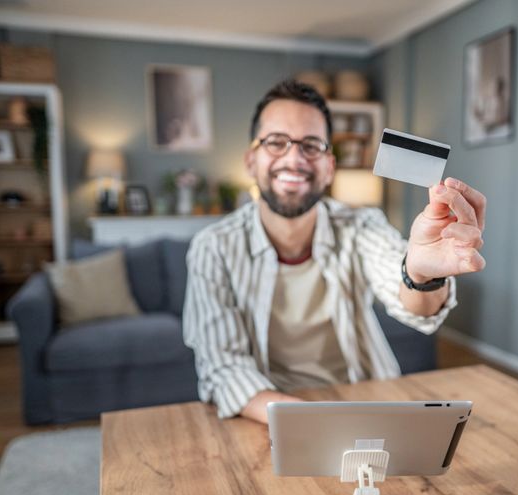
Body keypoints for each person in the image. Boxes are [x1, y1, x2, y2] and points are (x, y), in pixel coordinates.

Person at [184, 80, 486, 424]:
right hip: (265, 415)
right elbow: (223, 368)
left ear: (329, 166)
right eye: (275, 142)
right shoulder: (213, 248)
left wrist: (421, 273)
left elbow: (413, 301)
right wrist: (312, 422)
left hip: (364, 404)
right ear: (251, 161)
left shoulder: (360, 225)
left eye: (310, 145)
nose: (294, 158)